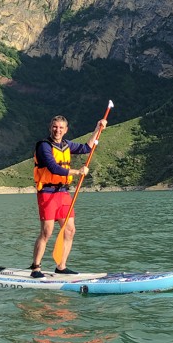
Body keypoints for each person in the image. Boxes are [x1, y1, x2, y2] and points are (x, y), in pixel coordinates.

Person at [30, 114, 107, 278]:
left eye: (61, 127)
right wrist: (77, 172)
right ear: (50, 127)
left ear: (66, 130)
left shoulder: (67, 145)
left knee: (70, 230)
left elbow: (86, 148)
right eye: (55, 127)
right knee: (47, 232)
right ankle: (36, 267)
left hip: (63, 192)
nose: (57, 130)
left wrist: (97, 129)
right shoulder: (43, 146)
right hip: (47, 192)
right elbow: (53, 168)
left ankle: (61, 266)